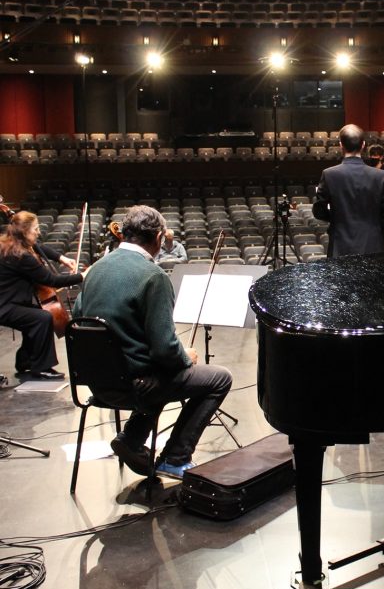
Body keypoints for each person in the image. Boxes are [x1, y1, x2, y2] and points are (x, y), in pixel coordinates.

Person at [73, 205, 232, 479]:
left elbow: (77, 321)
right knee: (218, 379)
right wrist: (186, 357)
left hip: (97, 383)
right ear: (159, 238)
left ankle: (131, 439)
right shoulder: (154, 276)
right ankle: (175, 458)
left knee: (154, 369)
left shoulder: (96, 269)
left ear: (125, 234)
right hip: (135, 387)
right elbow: (165, 350)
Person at [0, 210, 84, 379]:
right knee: (42, 318)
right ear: (24, 232)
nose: (38, 232)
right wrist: (82, 276)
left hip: (11, 299)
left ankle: (25, 361)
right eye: (35, 229)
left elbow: (38, 246)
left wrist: (61, 258)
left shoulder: (9, 243)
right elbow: (51, 280)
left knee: (33, 316)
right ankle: (41, 367)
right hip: (5, 306)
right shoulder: (22, 256)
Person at [312, 124, 384, 258]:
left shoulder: (329, 174)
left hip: (340, 245)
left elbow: (319, 211)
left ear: (340, 145)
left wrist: (338, 218)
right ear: (363, 145)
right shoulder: (379, 175)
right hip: (373, 245)